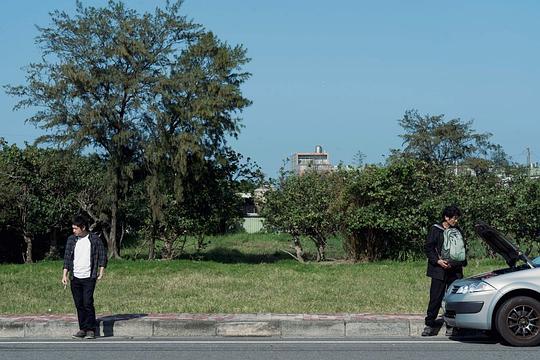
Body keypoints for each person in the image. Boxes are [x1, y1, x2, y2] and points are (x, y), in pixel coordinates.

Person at [422, 205, 466, 337]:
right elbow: (429, 248)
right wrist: (438, 261)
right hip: (438, 270)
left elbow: (462, 249)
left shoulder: (457, 230)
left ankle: (451, 326)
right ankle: (429, 325)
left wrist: (455, 263)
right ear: (446, 217)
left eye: (457, 218)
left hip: (454, 270)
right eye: (454, 218)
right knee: (436, 297)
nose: (456, 221)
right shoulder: (435, 229)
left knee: (453, 298)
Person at [62, 215, 107, 339]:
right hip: (75, 277)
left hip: (89, 276)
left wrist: (101, 271)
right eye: (73, 228)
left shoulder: (94, 239)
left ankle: (91, 329)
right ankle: (82, 328)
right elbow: (67, 258)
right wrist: (64, 275)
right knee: (79, 304)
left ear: (83, 227)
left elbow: (103, 255)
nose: (74, 231)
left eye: (76, 228)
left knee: (87, 302)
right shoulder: (71, 240)